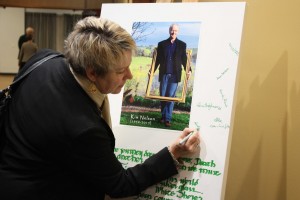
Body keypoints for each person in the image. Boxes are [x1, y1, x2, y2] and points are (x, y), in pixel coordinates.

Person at [0, 17, 200, 200]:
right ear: (92, 73)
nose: (130, 76)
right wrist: (172, 154)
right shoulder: (83, 128)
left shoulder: (44, 59)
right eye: (121, 71)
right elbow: (120, 184)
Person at [152, 24, 191, 127]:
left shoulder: (182, 45)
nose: (174, 32)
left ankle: (168, 118)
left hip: (175, 75)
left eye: (176, 31)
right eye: (172, 30)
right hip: (164, 74)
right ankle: (163, 116)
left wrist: (189, 70)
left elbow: (184, 60)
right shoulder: (162, 44)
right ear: (169, 31)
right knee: (163, 96)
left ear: (178, 32)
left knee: (170, 97)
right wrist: (151, 70)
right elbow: (158, 60)